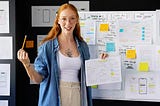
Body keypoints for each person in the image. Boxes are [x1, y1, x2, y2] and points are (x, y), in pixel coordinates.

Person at [17, 3, 108, 106]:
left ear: (77, 20)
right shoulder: (47, 47)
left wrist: (100, 62)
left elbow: (88, 76)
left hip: (77, 94)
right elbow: (38, 79)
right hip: (54, 97)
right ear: (58, 21)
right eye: (64, 19)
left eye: (72, 18)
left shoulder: (83, 46)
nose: (68, 23)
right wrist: (27, 65)